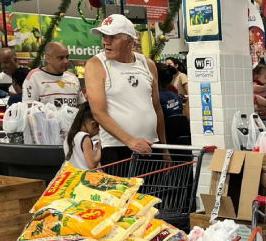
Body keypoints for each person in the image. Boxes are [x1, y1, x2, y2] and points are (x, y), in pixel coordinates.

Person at [85, 14, 165, 163]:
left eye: (113, 37)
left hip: (152, 146)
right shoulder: (96, 65)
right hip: (116, 148)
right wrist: (130, 141)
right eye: (104, 36)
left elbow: (157, 108)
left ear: (129, 41)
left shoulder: (147, 64)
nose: (106, 42)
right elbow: (98, 112)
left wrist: (165, 149)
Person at [23, 42, 85, 107]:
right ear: (48, 58)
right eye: (61, 58)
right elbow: (29, 106)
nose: (66, 61)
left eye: (67, 57)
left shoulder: (73, 77)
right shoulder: (34, 77)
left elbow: (81, 105)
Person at [63, 102, 101, 169]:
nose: (98, 132)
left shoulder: (69, 136)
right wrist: (99, 148)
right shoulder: (85, 137)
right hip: (86, 175)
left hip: (73, 174)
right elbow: (92, 165)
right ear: (93, 124)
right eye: (99, 129)